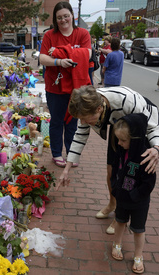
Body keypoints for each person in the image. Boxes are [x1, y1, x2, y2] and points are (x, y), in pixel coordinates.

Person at [56, 85, 159, 234]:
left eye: (85, 119)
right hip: (118, 124)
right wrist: (67, 169)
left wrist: (156, 148)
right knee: (111, 170)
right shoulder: (87, 107)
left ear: (99, 109)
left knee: (129, 172)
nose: (83, 123)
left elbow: (152, 127)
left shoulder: (126, 100)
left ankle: (121, 216)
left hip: (140, 125)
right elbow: (80, 136)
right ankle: (112, 204)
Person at [39, 1, 91, 168]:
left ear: (72, 16)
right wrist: (60, 61)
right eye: (59, 17)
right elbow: (42, 58)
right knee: (56, 121)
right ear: (55, 19)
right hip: (55, 87)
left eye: (66, 16)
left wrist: (57, 51)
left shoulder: (82, 33)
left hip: (76, 87)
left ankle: (71, 153)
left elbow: (88, 54)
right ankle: (56, 153)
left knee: (72, 122)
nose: (63, 20)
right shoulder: (49, 35)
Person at [111, 113, 156, 274]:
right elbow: (115, 169)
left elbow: (149, 183)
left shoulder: (145, 156)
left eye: (123, 140)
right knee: (120, 222)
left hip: (139, 203)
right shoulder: (122, 151)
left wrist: (135, 196)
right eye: (118, 139)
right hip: (122, 198)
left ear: (135, 139)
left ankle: (138, 255)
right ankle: (117, 244)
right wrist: (115, 187)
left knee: (138, 229)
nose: (119, 143)